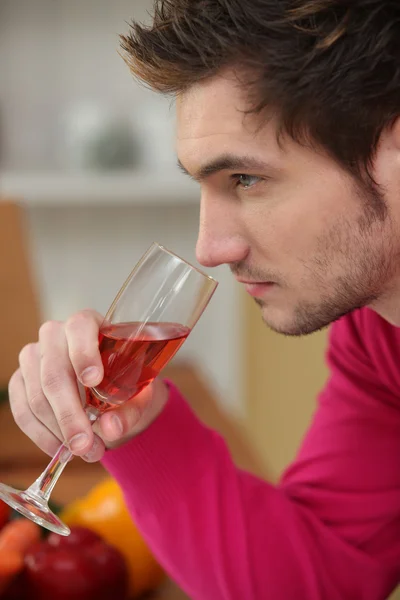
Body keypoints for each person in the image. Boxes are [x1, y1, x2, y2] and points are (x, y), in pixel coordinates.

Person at [8, 1, 400, 598]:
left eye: (246, 179)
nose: (209, 247)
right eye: (204, 185)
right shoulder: (378, 336)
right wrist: (141, 427)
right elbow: (318, 579)